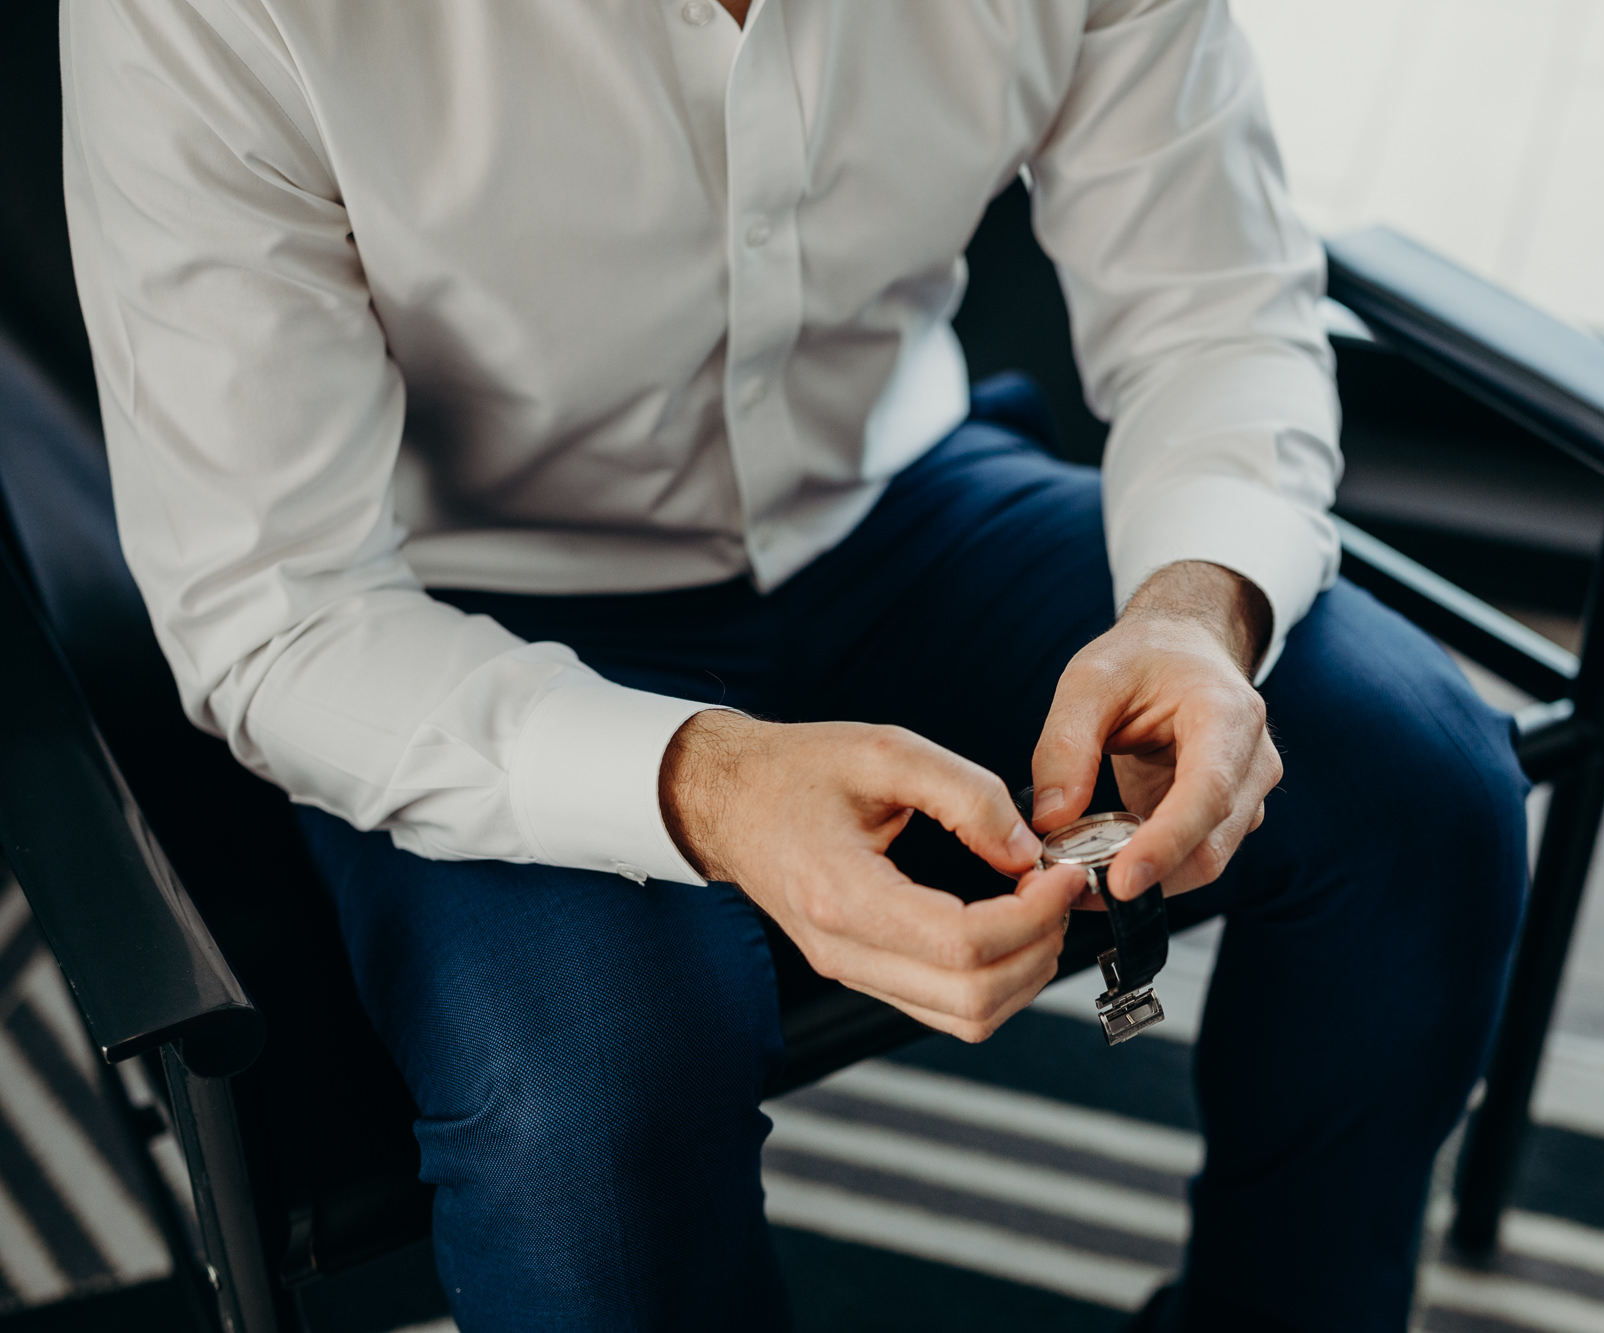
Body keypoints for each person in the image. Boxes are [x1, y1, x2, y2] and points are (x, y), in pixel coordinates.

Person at [61, 0, 1529, 1327]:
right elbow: (277, 605)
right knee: (600, 1102)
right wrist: (701, 780)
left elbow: (1216, 300)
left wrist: (1192, 615)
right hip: (460, 619)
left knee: (1426, 788)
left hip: (896, 496)